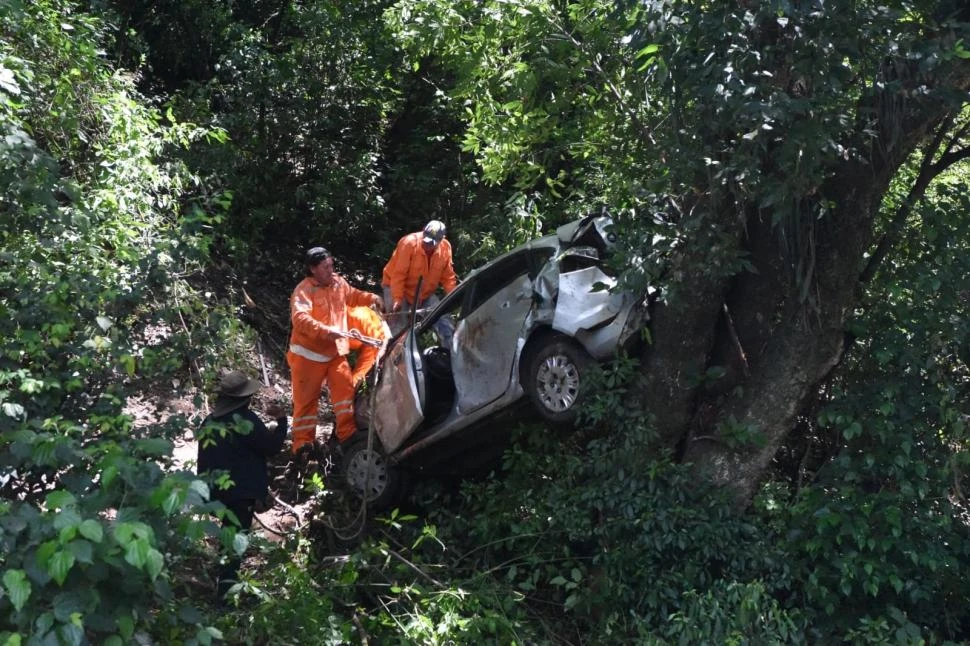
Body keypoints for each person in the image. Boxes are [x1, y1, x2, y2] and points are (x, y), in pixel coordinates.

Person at [196, 370, 287, 597]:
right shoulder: (245, 421)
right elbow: (271, 447)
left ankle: (223, 584)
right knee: (235, 542)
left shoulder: (209, 422)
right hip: (239, 493)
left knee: (229, 536)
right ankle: (226, 596)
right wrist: (282, 421)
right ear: (244, 398)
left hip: (214, 492)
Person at [288, 246, 382, 454]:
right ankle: (302, 444)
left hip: (334, 353)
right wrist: (325, 331)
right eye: (325, 267)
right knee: (306, 402)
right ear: (313, 269)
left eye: (331, 265)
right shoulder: (303, 291)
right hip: (308, 355)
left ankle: (346, 435)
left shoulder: (339, 283)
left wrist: (372, 298)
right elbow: (300, 319)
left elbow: (353, 296)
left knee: (345, 393)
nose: (331, 270)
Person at [381, 220, 458, 342]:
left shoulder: (446, 248)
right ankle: (397, 356)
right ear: (423, 230)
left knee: (444, 322)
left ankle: (451, 352)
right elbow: (398, 275)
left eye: (432, 243)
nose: (428, 245)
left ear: (442, 239)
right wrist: (397, 299)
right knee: (399, 330)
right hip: (396, 287)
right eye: (426, 241)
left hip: (424, 294)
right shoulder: (408, 244)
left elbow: (448, 276)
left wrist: (453, 296)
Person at [346, 305, 391, 387]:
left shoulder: (359, 320)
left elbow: (368, 357)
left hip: (377, 344)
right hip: (365, 339)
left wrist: (354, 381)